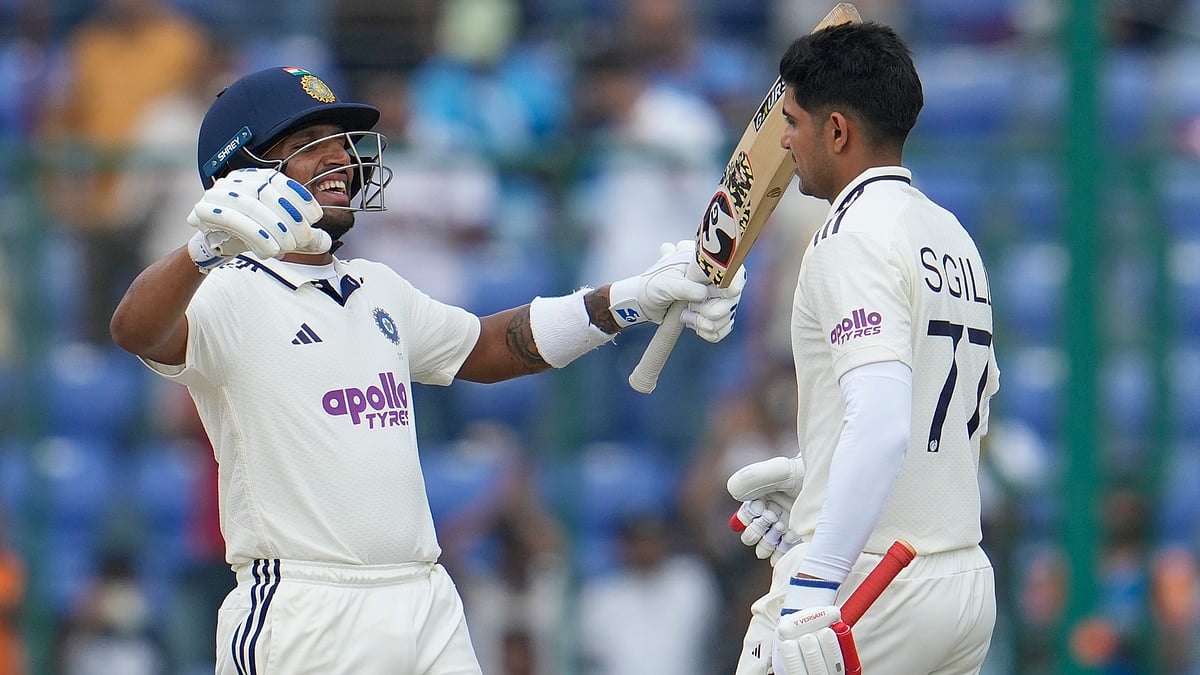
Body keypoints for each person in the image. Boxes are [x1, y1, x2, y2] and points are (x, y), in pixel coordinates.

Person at [107, 65, 745, 675]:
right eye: (309, 142)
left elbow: (489, 347)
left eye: (342, 141)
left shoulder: (376, 285)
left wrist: (629, 299)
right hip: (304, 604)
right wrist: (204, 250)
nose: (342, 157)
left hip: (424, 594)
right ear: (244, 172)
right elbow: (135, 330)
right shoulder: (225, 291)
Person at [722, 22, 1000, 675]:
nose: (783, 142)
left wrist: (814, 582)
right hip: (962, 579)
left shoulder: (850, 235)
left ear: (838, 131)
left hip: (873, 583)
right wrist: (819, 480)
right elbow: (961, 413)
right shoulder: (951, 234)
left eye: (793, 122)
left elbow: (880, 423)